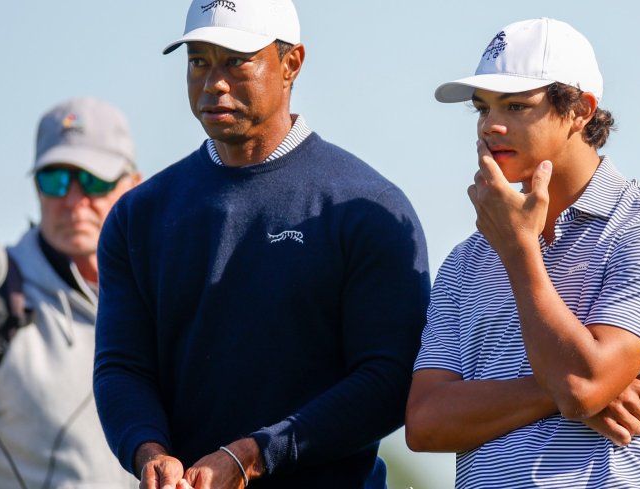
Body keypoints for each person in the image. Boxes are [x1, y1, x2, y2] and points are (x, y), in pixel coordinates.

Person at [92, 1, 430, 488]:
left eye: (235, 60)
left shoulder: (368, 208)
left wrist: (253, 456)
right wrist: (149, 450)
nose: (215, 83)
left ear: (291, 63)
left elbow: (389, 379)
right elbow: (122, 367)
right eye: (199, 62)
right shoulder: (137, 215)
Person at [405, 18, 640, 488]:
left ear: (581, 111)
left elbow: (582, 386)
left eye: (517, 106)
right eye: (482, 108)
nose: (490, 126)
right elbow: (424, 423)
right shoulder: (466, 260)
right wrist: (565, 390)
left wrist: (519, 249)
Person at [0, 97, 141, 488]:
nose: (74, 202)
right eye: (55, 179)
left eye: (94, 180)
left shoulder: (170, 297)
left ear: (135, 186)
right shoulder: (2, 296)